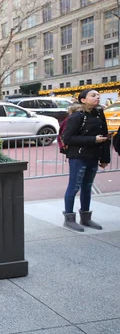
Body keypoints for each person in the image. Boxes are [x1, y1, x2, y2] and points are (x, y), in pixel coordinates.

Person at [62, 89, 110, 232]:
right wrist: (93, 139)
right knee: (74, 186)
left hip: (93, 156)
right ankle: (69, 218)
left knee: (87, 186)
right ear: (83, 100)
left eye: (98, 95)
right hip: (78, 157)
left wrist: (105, 158)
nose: (97, 97)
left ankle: (86, 217)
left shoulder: (99, 114)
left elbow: (105, 136)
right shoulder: (77, 116)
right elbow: (68, 138)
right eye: (93, 95)